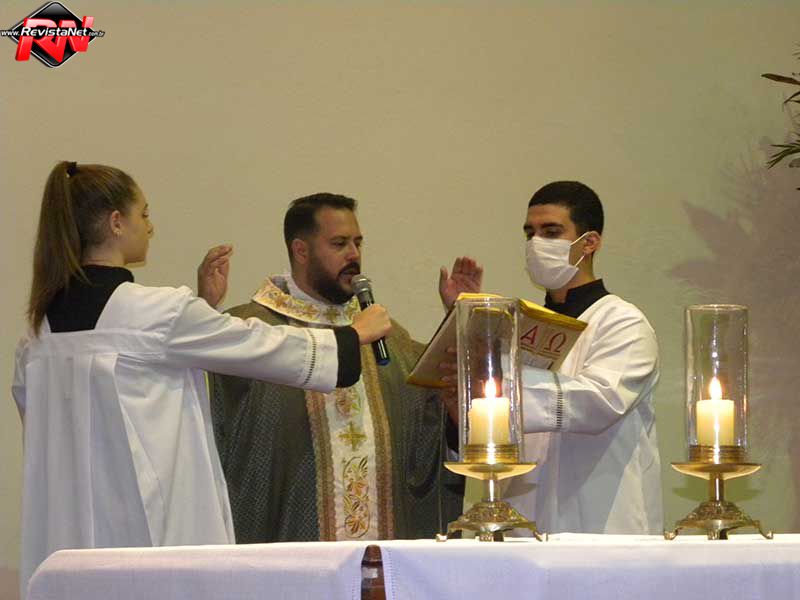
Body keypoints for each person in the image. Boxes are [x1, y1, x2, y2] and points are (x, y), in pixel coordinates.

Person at [12, 163, 390, 599]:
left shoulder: (36, 336)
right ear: (116, 222)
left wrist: (203, 310)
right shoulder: (158, 312)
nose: (149, 227)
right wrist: (351, 337)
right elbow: (259, 345)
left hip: (67, 548)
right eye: (143, 214)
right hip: (145, 548)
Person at [209, 193, 481, 542]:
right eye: (339, 244)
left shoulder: (387, 337)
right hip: (291, 550)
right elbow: (212, 425)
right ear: (301, 251)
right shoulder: (252, 333)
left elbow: (433, 420)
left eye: (358, 242)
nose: (354, 255)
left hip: (380, 558)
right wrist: (205, 310)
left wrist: (461, 319)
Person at [504, 180, 662, 534]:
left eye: (551, 232)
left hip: (602, 519)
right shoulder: (519, 327)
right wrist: (471, 330)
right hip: (525, 521)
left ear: (589, 242)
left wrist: (504, 390)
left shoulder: (622, 321)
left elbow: (600, 401)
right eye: (530, 233)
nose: (536, 243)